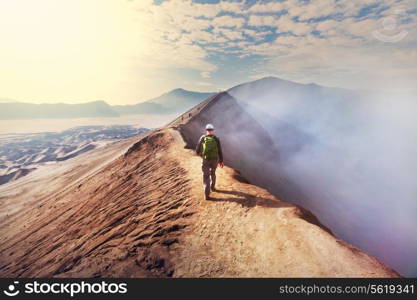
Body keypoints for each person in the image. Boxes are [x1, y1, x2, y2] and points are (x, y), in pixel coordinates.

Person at [195, 124, 224, 200]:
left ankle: (206, 195)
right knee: (213, 173)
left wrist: (200, 154)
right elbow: (220, 150)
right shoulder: (216, 138)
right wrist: (221, 161)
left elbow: (197, 148)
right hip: (215, 159)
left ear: (206, 130)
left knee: (206, 176)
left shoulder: (203, 137)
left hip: (206, 159)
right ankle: (212, 187)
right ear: (213, 130)